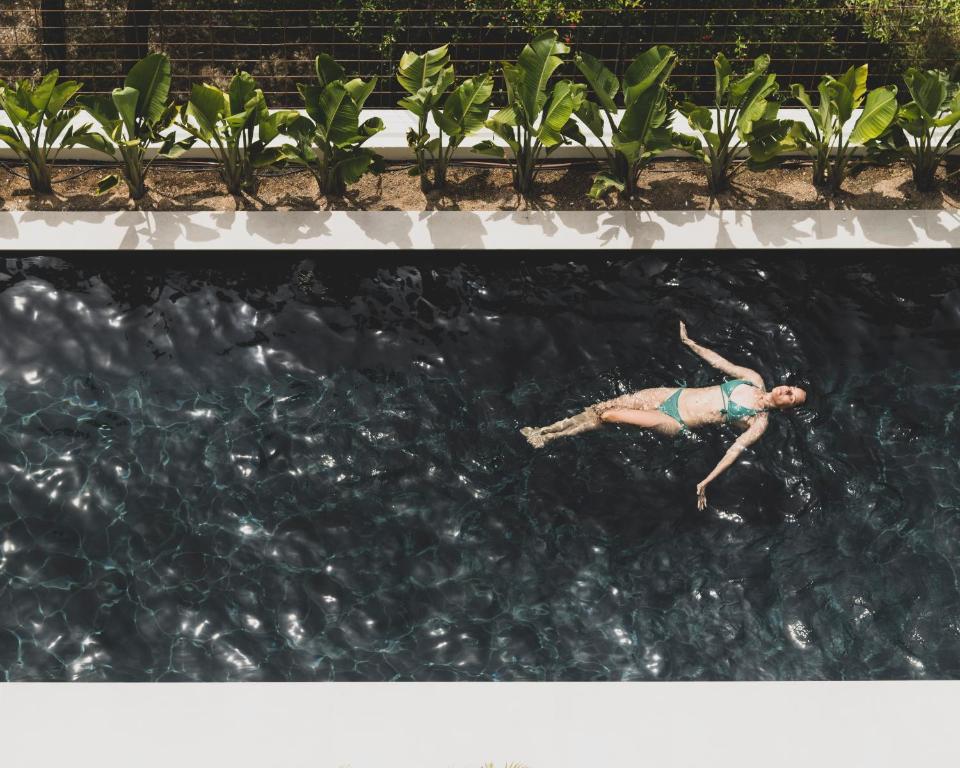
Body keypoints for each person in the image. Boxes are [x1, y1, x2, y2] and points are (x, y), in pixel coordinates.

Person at [520, 321, 807, 509]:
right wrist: (691, 343)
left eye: (792, 397)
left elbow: (734, 451)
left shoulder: (758, 422)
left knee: (611, 416)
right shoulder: (752, 378)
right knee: (601, 407)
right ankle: (546, 431)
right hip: (672, 395)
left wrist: (707, 481)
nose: (787, 391)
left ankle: (551, 439)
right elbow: (721, 363)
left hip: (674, 421)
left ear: (786, 407)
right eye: (791, 388)